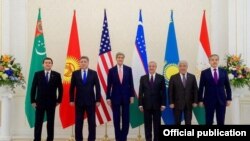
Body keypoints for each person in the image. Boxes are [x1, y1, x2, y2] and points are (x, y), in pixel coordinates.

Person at [31, 57, 63, 141]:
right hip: (39, 102)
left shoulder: (57, 75)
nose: (48, 64)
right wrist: (32, 101)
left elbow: (60, 89)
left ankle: (50, 139)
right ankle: (37, 139)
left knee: (50, 122)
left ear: (52, 64)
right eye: (46, 62)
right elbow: (33, 88)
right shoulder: (37, 74)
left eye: (49, 62)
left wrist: (59, 100)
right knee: (38, 122)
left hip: (52, 102)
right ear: (43, 64)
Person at [69, 56, 101, 141]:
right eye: (81, 61)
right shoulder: (75, 73)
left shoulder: (93, 73)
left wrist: (98, 100)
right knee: (79, 123)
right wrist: (71, 99)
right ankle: (79, 139)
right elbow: (72, 88)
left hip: (91, 101)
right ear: (79, 63)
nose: (83, 63)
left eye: (85, 61)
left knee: (92, 122)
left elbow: (97, 87)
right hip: (79, 102)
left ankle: (91, 139)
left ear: (88, 63)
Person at [106, 52, 134, 141]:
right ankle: (118, 138)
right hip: (115, 98)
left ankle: (123, 138)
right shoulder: (111, 70)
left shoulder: (128, 69)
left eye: (122, 57)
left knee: (126, 119)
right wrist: (108, 97)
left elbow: (131, 84)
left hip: (126, 98)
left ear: (123, 59)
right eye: (118, 57)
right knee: (116, 120)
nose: (120, 59)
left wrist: (132, 96)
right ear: (116, 59)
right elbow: (109, 85)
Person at [198, 54, 232, 125]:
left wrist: (229, 98)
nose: (214, 61)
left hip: (222, 100)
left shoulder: (224, 72)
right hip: (208, 100)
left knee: (221, 120)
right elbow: (201, 87)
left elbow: (228, 87)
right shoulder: (204, 73)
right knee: (208, 120)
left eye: (216, 60)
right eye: (212, 60)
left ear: (218, 61)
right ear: (209, 61)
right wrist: (200, 100)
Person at [138, 61, 166, 141]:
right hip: (146, 105)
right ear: (148, 67)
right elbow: (140, 92)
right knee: (147, 125)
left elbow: (163, 92)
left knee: (157, 125)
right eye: (150, 66)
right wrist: (140, 104)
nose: (151, 68)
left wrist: (163, 104)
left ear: (155, 67)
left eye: (153, 66)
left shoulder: (161, 77)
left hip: (157, 105)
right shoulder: (143, 78)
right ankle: (148, 139)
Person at [168, 60, 198, 125]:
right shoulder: (173, 77)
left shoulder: (192, 77)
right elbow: (170, 91)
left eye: (184, 66)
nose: (182, 68)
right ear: (178, 67)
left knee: (188, 122)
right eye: (180, 66)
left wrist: (195, 101)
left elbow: (195, 90)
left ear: (187, 67)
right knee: (177, 122)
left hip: (189, 104)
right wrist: (171, 102)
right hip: (177, 104)